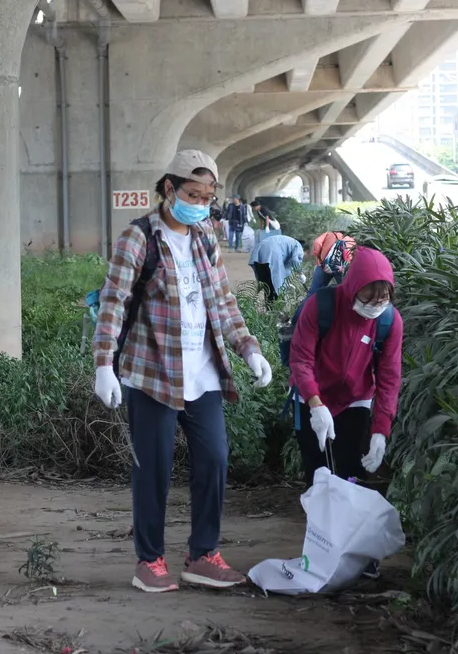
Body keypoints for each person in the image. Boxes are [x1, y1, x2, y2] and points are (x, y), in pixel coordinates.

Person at [92, 150, 273, 594]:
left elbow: (222, 300)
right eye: (193, 194)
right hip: (153, 373)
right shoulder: (138, 239)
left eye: (209, 197)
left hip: (203, 373)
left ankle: (202, 555)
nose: (202, 204)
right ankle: (149, 560)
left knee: (214, 459)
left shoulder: (205, 234)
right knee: (152, 469)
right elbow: (113, 303)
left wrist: (248, 348)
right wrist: (103, 365)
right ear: (169, 188)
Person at [288, 248, 403, 581]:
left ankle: (359, 553)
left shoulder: (389, 320)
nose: (374, 305)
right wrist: (315, 403)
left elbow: (389, 377)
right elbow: (301, 360)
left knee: (352, 474)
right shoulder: (321, 306)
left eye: (383, 298)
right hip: (311, 397)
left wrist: (381, 430)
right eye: (369, 297)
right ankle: (323, 549)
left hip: (355, 400)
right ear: (353, 286)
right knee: (319, 474)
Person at [249, 234, 305, 300]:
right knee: (276, 286)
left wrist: (287, 282)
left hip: (259, 251)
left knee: (267, 285)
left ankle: (269, 308)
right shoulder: (298, 245)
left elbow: (287, 267)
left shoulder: (286, 242)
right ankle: (276, 307)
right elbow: (295, 260)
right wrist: (301, 273)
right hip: (272, 253)